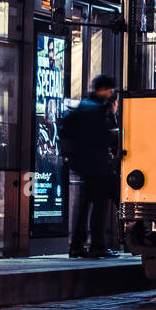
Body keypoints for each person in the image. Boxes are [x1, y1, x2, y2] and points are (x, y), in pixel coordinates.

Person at [58, 74, 119, 258]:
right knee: (99, 208)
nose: (111, 93)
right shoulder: (99, 109)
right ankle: (97, 246)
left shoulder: (82, 106)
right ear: (105, 90)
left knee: (84, 207)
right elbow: (104, 138)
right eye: (110, 90)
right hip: (98, 166)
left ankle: (76, 245)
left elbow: (66, 130)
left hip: (82, 165)